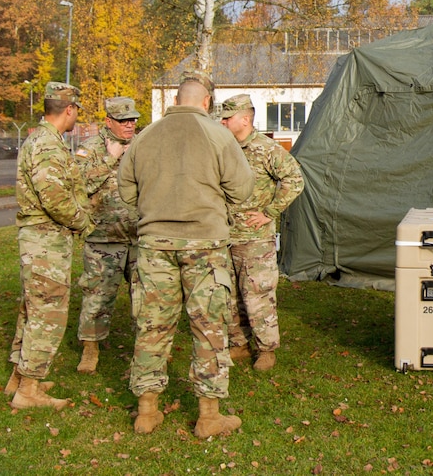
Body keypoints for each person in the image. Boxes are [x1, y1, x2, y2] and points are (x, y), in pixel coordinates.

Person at [117, 73, 254, 437]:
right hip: (204, 246)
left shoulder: (144, 137)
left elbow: (126, 191)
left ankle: (146, 411)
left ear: (176, 99)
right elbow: (242, 189)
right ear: (206, 102)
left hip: (154, 245)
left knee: (152, 327)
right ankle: (208, 417)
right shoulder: (219, 135)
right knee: (208, 329)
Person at [7, 82, 94, 410]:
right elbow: (54, 197)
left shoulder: (43, 139)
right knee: (47, 313)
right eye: (76, 112)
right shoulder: (46, 144)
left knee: (32, 310)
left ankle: (19, 377)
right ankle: (28, 390)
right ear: (69, 110)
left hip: (41, 240)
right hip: (45, 241)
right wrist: (82, 221)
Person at [218, 94, 304, 372]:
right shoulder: (222, 148)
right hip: (223, 236)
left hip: (255, 239)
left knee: (258, 295)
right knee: (228, 294)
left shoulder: (267, 149)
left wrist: (269, 212)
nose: (222, 121)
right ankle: (238, 344)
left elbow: (295, 179)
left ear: (244, 119)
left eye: (227, 117)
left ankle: (266, 349)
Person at [73, 97, 140, 374]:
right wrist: (108, 159)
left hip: (139, 237)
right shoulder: (90, 149)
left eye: (133, 119)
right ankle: (90, 349)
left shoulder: (141, 144)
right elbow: (77, 187)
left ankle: (147, 350)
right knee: (97, 297)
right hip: (104, 237)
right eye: (123, 120)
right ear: (108, 121)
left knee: (146, 298)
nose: (129, 125)